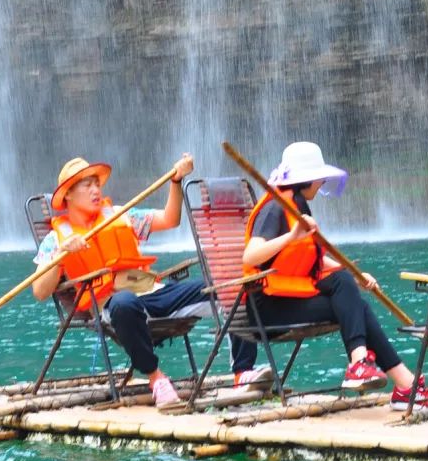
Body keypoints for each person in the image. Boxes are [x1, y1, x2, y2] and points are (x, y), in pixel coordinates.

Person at [33, 154, 266, 408]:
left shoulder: (121, 215)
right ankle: (157, 380)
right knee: (124, 304)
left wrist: (176, 181)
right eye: (86, 185)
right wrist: (59, 256)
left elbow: (170, 219)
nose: (95, 190)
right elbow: (40, 291)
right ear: (67, 194)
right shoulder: (56, 240)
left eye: (97, 184)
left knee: (232, 286)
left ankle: (243, 373)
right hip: (112, 305)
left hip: (153, 291)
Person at [242, 140, 428, 409]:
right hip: (266, 308)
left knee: (346, 286)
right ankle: (392, 380)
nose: (323, 181)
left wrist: (355, 274)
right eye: (319, 177)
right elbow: (250, 256)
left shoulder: (299, 206)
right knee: (355, 304)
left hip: (290, 299)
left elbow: (310, 258)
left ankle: (382, 373)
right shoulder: (274, 208)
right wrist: (292, 236)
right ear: (307, 179)